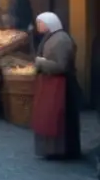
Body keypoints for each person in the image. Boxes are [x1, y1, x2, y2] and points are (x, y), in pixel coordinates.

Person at [31, 12, 81, 160]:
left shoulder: (61, 40)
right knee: (49, 117)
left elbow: (62, 66)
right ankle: (51, 150)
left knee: (60, 119)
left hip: (62, 86)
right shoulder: (51, 37)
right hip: (51, 84)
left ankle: (63, 151)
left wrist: (41, 62)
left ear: (49, 24)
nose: (38, 26)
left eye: (40, 23)